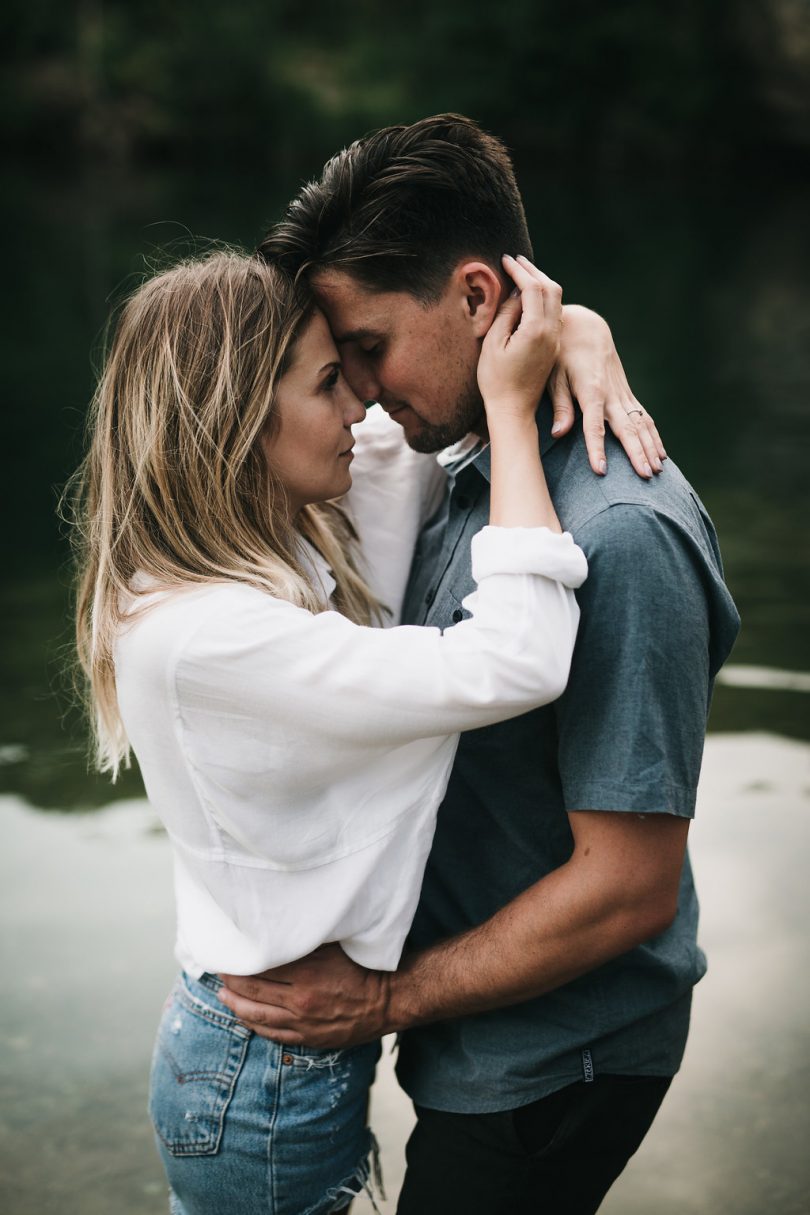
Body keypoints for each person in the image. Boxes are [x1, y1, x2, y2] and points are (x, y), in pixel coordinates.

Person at [69, 244, 664, 1215]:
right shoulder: (206, 635)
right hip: (257, 1076)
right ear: (237, 422)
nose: (361, 407)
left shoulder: (297, 525)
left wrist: (579, 334)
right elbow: (517, 658)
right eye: (327, 384)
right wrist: (514, 416)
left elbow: (435, 405)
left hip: (284, 1059)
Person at [219, 114, 742, 1214]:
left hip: (560, 1062)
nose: (356, 387)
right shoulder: (467, 460)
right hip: (483, 1040)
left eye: (367, 345)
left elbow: (629, 887)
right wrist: (577, 325)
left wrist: (379, 1002)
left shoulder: (621, 536)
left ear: (473, 299)